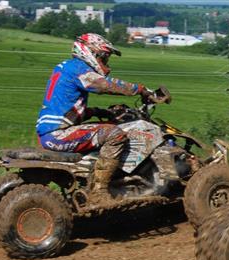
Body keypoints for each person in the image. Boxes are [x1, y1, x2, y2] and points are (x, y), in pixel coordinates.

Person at [36, 33, 165, 205]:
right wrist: (140, 89)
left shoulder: (66, 67)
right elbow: (104, 85)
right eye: (104, 56)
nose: (106, 62)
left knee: (104, 127)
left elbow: (68, 109)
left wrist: (99, 111)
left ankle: (95, 179)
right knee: (114, 134)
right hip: (58, 134)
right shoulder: (78, 68)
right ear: (90, 52)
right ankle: (100, 191)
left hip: (53, 130)